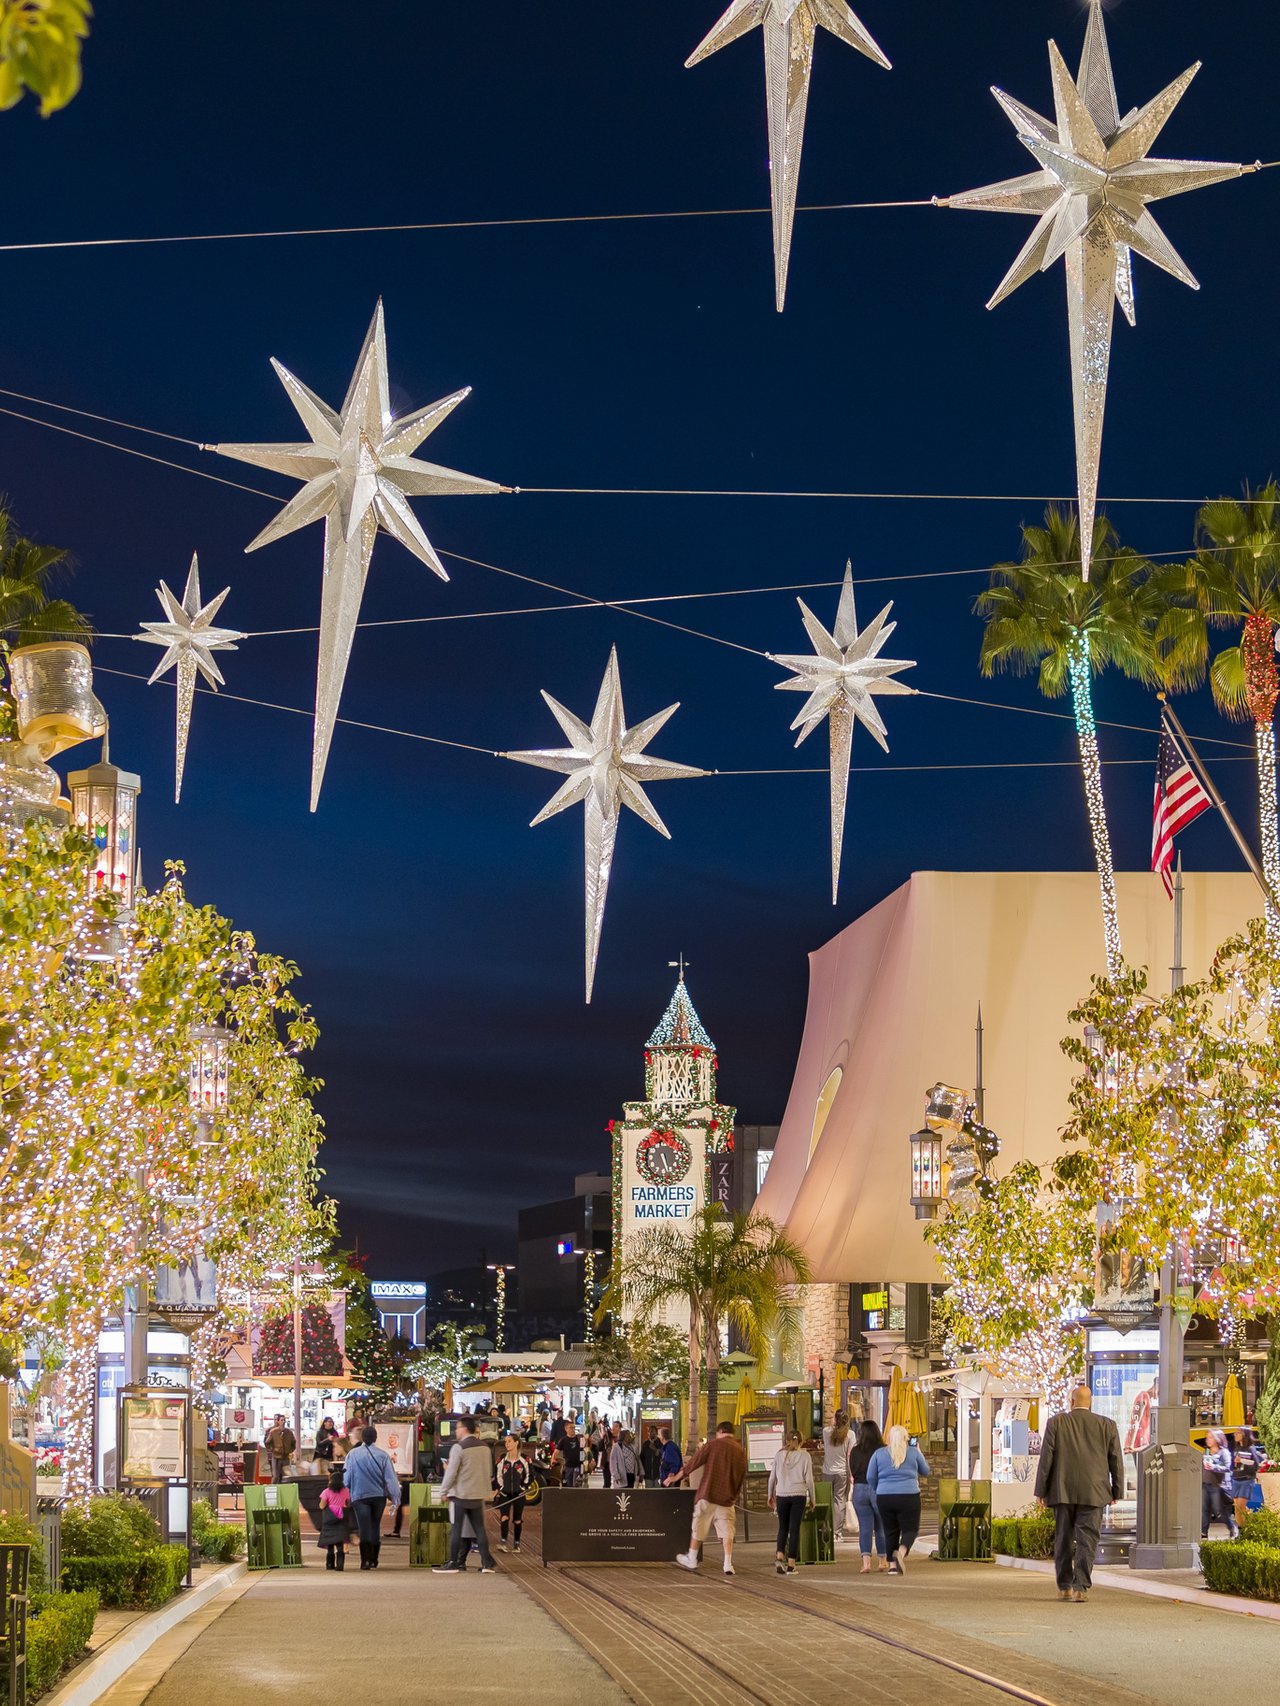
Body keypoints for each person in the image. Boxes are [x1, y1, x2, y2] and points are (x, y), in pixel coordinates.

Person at [1034, 1384, 1124, 1602]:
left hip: (1062, 1490)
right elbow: (1116, 1460)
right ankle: (1081, 1587)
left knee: (1063, 1538)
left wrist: (1041, 1491)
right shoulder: (1107, 1425)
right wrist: (1116, 1491)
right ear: (1089, 1402)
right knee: (1088, 1540)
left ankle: (1064, 1585)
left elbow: (1046, 1458)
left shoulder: (1056, 1422)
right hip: (1094, 1492)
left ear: (1071, 1401)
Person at [670, 1420, 747, 1576]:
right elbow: (741, 1475)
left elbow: (694, 1462)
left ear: (719, 1432)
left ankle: (692, 1557)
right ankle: (727, 1563)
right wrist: (735, 1494)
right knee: (727, 1530)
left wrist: (677, 1477)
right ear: (732, 1433)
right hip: (727, 1498)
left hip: (709, 1494)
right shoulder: (739, 1450)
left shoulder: (713, 1445)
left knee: (699, 1525)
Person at [434, 1416, 498, 1574]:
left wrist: (443, 1491)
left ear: (464, 1429)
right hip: (478, 1495)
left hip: (461, 1495)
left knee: (456, 1529)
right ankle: (486, 1564)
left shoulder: (459, 1448)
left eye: (457, 1428)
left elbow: (451, 1473)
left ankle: (453, 1562)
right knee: (480, 1530)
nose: (456, 1431)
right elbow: (489, 1471)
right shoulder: (485, 1447)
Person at [867, 1425, 930, 1575]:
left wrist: (879, 1488)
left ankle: (892, 1566)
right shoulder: (913, 1453)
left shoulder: (878, 1454)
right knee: (910, 1529)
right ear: (906, 1438)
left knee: (890, 1531)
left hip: (884, 1497)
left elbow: (870, 1476)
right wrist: (919, 1452)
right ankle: (901, 1553)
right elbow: (925, 1471)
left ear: (889, 1438)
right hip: (909, 1496)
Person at [343, 1425, 403, 1570]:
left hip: (359, 1496)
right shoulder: (383, 1455)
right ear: (375, 1438)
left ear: (362, 1438)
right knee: (375, 1525)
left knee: (364, 1527)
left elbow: (347, 1477)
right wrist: (396, 1498)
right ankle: (374, 1559)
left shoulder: (352, 1454)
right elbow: (390, 1479)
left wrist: (347, 1491)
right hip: (378, 1496)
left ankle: (365, 1561)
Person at [767, 1430, 815, 1575]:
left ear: (786, 1440)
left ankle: (779, 1556)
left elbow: (772, 1478)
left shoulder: (779, 1455)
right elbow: (809, 1480)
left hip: (781, 1494)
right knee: (794, 1530)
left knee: (783, 1527)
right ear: (801, 1441)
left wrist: (770, 1495)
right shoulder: (805, 1456)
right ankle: (791, 1565)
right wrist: (813, 1498)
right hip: (798, 1495)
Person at [849, 1417, 888, 1573]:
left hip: (859, 1489)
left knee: (865, 1527)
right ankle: (883, 1561)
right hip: (878, 1488)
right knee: (881, 1527)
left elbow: (851, 1469)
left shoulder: (855, 1450)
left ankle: (866, 1564)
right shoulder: (884, 1450)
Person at [493, 1434, 532, 1554]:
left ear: (516, 1443)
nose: (507, 1444)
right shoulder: (502, 1459)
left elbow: (530, 1475)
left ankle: (516, 1543)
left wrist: (523, 1487)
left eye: (509, 1441)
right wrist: (501, 1487)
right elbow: (498, 1474)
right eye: (505, 1442)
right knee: (504, 1517)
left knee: (517, 1519)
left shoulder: (525, 1459)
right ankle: (503, 1541)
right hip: (505, 1494)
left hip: (519, 1494)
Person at [821, 1410, 853, 1544]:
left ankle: (826, 1530)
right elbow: (849, 1455)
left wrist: (832, 1423)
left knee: (826, 1501)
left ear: (835, 1419)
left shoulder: (826, 1432)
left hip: (827, 1471)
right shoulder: (851, 1435)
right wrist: (851, 1474)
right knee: (839, 1501)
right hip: (842, 1472)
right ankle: (837, 1533)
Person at [1201, 1428, 1238, 1541]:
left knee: (1219, 1510)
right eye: (1207, 1437)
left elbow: (1227, 1467)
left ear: (1218, 1439)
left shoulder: (1224, 1452)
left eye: (1211, 1437)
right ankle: (1203, 1531)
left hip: (1217, 1485)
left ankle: (1232, 1527)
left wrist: (1214, 1467)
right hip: (1205, 1484)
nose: (1208, 1440)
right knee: (1204, 1509)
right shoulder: (1206, 1451)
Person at [317, 1465, 352, 1570]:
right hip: (341, 1518)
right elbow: (347, 1504)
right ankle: (340, 1565)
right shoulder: (345, 1491)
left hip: (329, 1519)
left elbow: (321, 1506)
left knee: (330, 1544)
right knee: (340, 1543)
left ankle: (329, 1564)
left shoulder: (326, 1492)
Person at [1231, 1426, 1262, 1528]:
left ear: (1244, 1435)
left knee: (1240, 1506)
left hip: (1246, 1480)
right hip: (1236, 1479)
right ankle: (1242, 1528)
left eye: (1238, 1433)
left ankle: (1246, 1527)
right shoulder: (1237, 1448)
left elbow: (1256, 1466)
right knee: (1237, 1507)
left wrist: (1242, 1461)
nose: (1235, 1435)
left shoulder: (1250, 1449)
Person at [263, 1414, 296, 1484]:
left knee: (285, 1475)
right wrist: (272, 1450)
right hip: (276, 1456)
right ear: (278, 1421)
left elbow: (293, 1443)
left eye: (284, 1420)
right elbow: (267, 1442)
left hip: (285, 1456)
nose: (283, 1422)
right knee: (275, 1476)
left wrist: (289, 1450)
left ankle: (284, 1491)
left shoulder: (289, 1432)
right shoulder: (273, 1431)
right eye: (281, 1420)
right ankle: (273, 1491)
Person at [558, 1417, 584, 1488]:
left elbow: (585, 1448)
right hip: (568, 1466)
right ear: (566, 1429)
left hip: (578, 1465)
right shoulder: (563, 1440)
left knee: (576, 1484)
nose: (573, 1429)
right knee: (568, 1485)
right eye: (571, 1428)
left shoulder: (579, 1438)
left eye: (574, 1427)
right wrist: (553, 1459)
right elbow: (556, 1451)